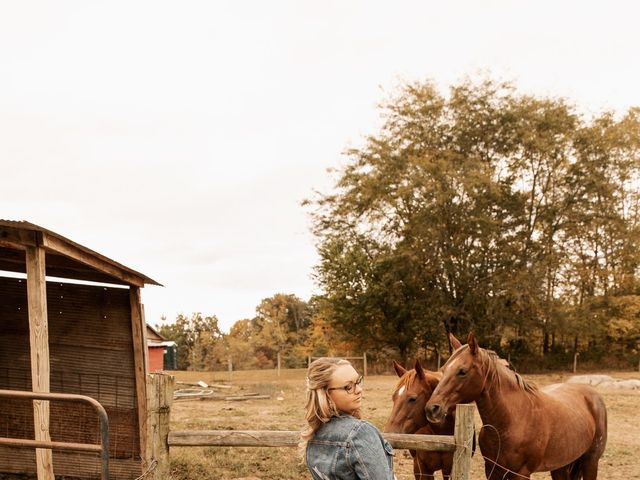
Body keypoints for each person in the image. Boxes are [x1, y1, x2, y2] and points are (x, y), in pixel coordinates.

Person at [300, 357, 395, 480]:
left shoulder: (313, 433)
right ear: (325, 394)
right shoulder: (360, 433)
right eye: (348, 387)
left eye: (358, 382)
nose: (359, 390)